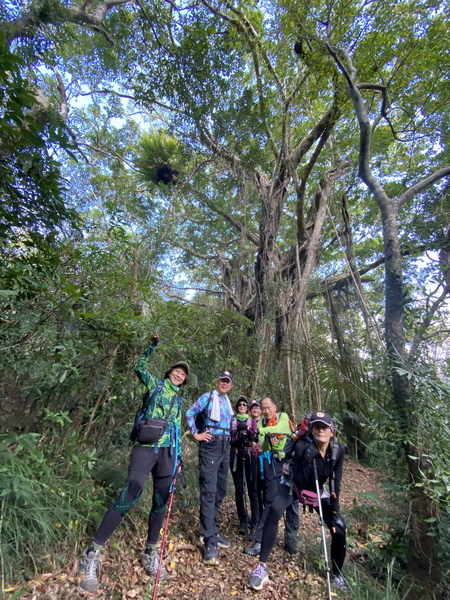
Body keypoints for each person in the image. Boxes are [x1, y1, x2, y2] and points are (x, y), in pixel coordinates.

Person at [78, 335, 188, 593]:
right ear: (169, 372)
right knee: (133, 489)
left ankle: (150, 551)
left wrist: (179, 458)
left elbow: (177, 427)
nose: (179, 375)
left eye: (183, 374)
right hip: (146, 447)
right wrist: (151, 347)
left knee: (161, 501)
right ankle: (92, 552)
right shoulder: (156, 386)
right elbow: (139, 368)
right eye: (177, 370)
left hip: (168, 453)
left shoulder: (179, 400)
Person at [247, 411, 347, 591]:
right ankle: (261, 567)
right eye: (317, 427)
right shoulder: (302, 447)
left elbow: (335, 481)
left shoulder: (339, 450)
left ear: (332, 431)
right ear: (312, 429)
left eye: (324, 427)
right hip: (294, 486)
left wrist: (333, 510)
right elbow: (299, 479)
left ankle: (337, 575)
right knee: (274, 512)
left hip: (318, 492)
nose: (320, 431)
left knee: (339, 528)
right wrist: (309, 459)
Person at [186, 371, 234, 565]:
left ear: (230, 386)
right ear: (217, 382)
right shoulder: (208, 397)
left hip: (225, 445)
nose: (224, 384)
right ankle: (210, 541)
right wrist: (195, 434)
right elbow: (190, 413)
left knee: (220, 490)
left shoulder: (227, 402)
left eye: (227, 382)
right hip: (211, 443)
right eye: (222, 380)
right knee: (209, 490)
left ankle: (211, 529)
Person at [244, 397, 299, 557]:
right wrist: (270, 439)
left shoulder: (283, 417)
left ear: (275, 407)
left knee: (292, 502)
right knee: (270, 500)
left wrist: (262, 432)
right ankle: (260, 541)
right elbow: (264, 446)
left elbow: (283, 428)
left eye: (269, 407)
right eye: (264, 408)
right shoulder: (261, 423)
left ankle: (292, 541)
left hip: (290, 463)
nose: (266, 411)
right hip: (274, 463)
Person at [230, 396, 259, 535]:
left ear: (247, 407)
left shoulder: (252, 421)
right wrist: (237, 437)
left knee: (252, 489)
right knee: (239, 489)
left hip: (249, 456)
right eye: (240, 404)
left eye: (244, 405)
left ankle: (255, 522)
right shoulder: (232, 420)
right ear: (237, 407)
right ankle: (243, 520)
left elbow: (255, 437)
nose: (242, 406)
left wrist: (247, 430)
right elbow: (229, 437)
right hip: (235, 455)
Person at [249, 400, 264, 540]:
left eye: (257, 408)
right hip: (252, 459)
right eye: (252, 408)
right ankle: (255, 521)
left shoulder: (265, 422)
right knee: (254, 491)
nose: (255, 410)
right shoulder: (247, 423)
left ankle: (263, 523)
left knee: (264, 491)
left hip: (264, 459)